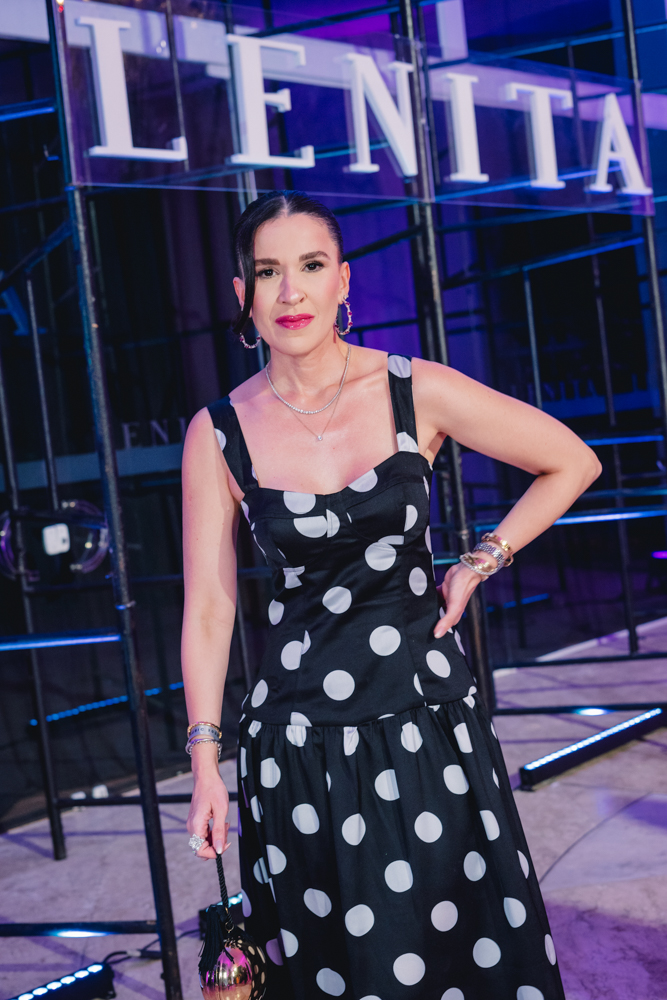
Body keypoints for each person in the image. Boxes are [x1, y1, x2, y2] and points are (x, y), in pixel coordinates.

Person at [181, 190, 600, 999]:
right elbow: (207, 608)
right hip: (297, 747)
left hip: (427, 723)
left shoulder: (413, 388)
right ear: (242, 294)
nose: (290, 291)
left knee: (462, 952)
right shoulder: (219, 431)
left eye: (310, 266)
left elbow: (571, 460)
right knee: (344, 966)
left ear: (343, 281)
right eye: (267, 272)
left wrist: (479, 561)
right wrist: (205, 763)